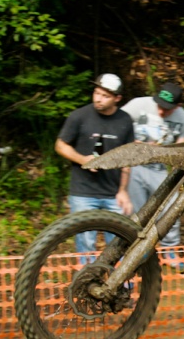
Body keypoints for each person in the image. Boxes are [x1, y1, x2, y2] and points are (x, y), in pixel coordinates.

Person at [55, 73, 135, 253]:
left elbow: (128, 159)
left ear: (117, 98)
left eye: (105, 96)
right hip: (83, 192)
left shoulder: (125, 120)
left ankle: (117, 280)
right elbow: (60, 145)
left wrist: (123, 191)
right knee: (86, 245)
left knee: (117, 245)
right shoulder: (79, 116)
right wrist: (83, 159)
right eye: (96, 93)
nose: (98, 99)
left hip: (113, 193)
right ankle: (87, 279)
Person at [121, 82, 184, 247]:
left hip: (159, 168)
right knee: (135, 212)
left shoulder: (183, 118)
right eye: (159, 105)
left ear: (177, 106)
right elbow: (117, 124)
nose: (161, 111)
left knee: (171, 206)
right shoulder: (138, 104)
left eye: (167, 108)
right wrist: (132, 142)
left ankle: (170, 249)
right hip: (134, 166)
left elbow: (182, 147)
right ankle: (131, 249)